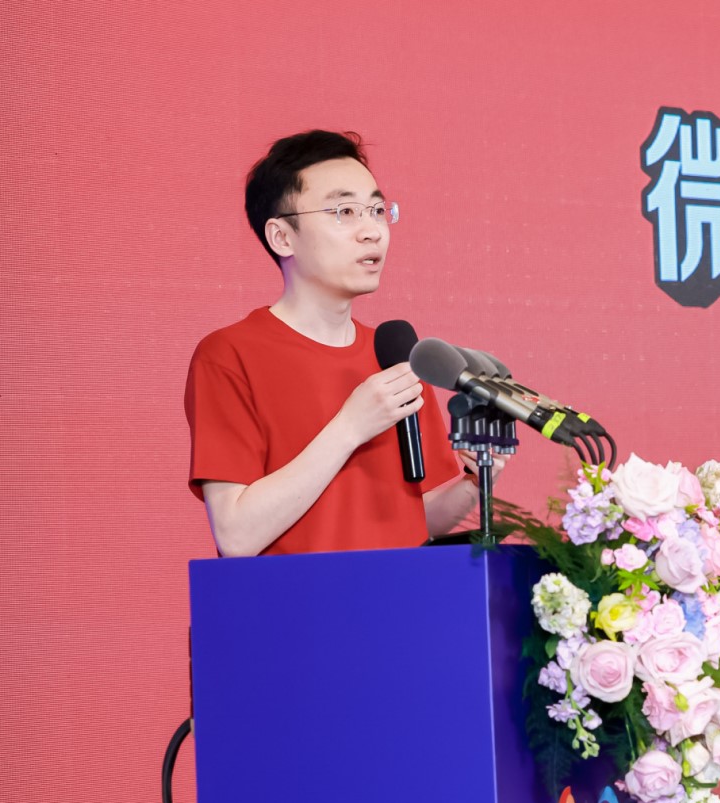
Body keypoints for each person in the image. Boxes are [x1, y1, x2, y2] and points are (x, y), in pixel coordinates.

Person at [185, 130, 502, 556]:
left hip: (399, 594)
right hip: (301, 597)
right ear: (282, 237)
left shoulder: (397, 357)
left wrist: (477, 482)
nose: (372, 231)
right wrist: (350, 427)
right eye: (345, 211)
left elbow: (412, 519)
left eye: (377, 210)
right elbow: (237, 537)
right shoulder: (229, 355)